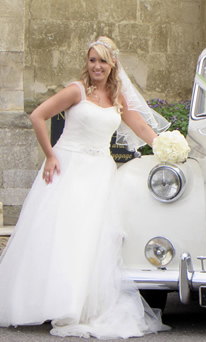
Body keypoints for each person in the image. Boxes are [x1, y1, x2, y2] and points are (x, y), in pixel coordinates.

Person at [0, 36, 171, 339]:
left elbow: (141, 128)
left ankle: (78, 305)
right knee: (60, 236)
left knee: (89, 241)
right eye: (92, 60)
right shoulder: (77, 90)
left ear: (112, 64)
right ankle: (50, 302)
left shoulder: (118, 98)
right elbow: (38, 115)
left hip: (100, 174)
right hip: (68, 167)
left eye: (103, 60)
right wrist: (50, 155)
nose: (96, 66)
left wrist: (168, 148)